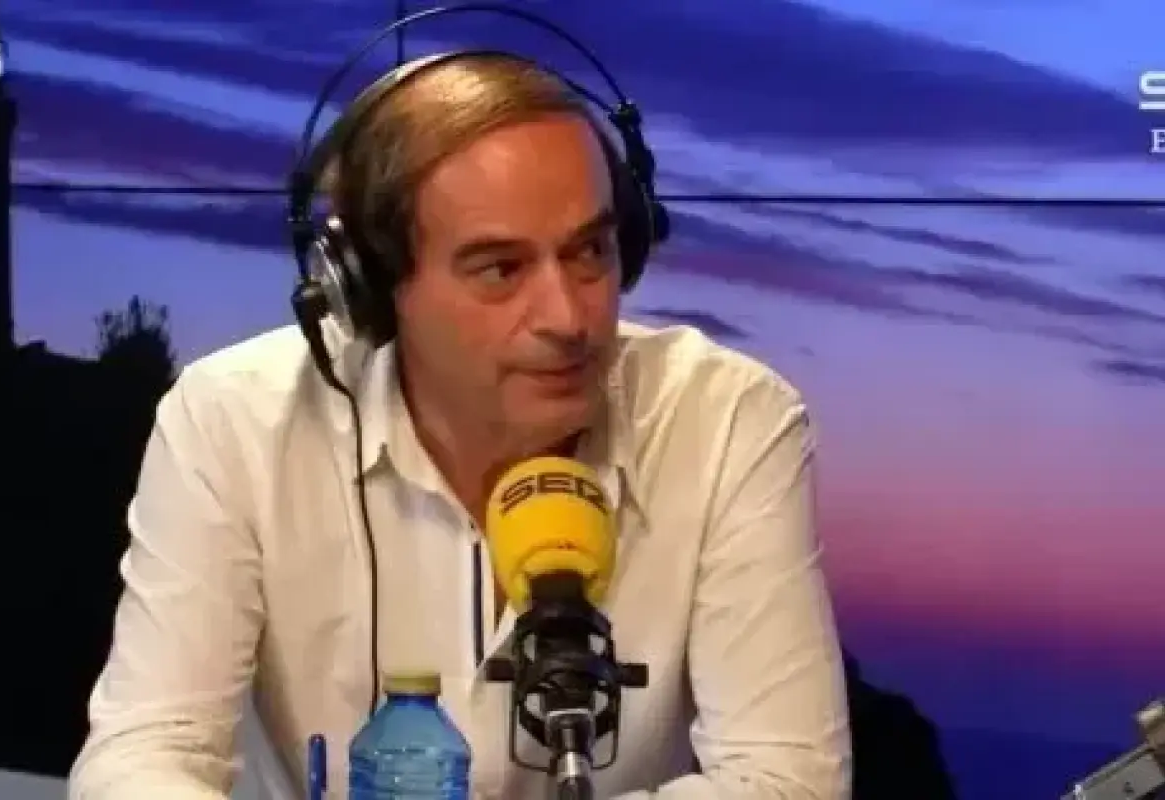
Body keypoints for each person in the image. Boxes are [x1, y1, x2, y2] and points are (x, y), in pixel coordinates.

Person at [68, 52, 851, 799]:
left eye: (590, 251)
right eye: (501, 269)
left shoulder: (725, 421)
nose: (568, 317)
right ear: (373, 290)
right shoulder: (232, 421)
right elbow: (142, 753)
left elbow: (786, 781)